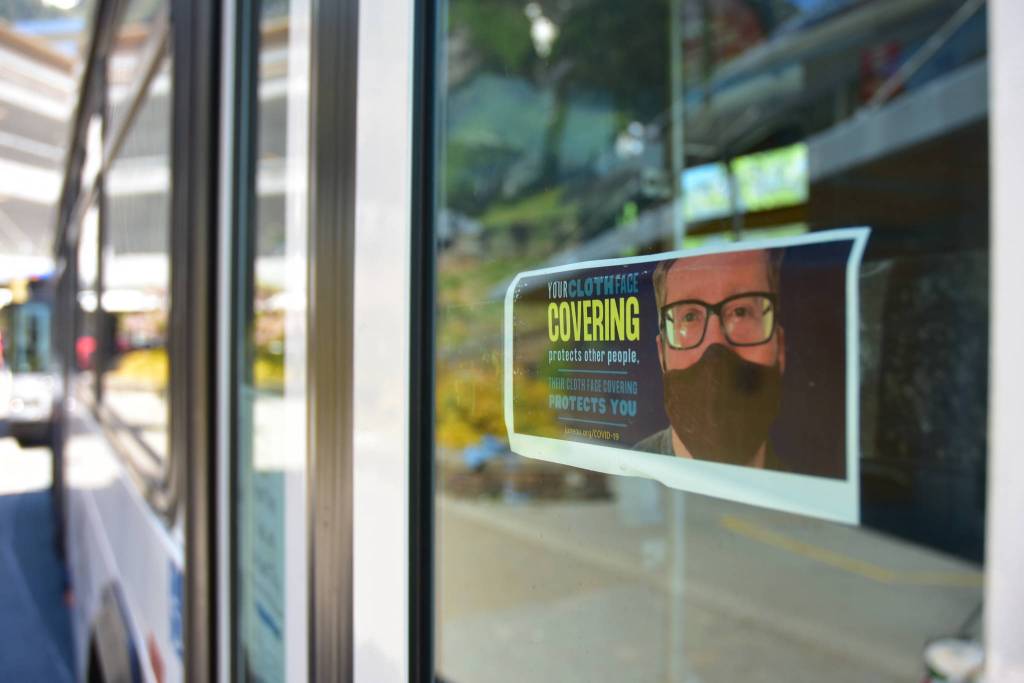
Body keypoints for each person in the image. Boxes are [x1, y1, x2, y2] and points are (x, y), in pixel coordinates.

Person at [635, 249, 787, 470]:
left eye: (741, 312)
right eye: (689, 317)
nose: (715, 343)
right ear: (662, 355)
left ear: (779, 347)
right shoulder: (627, 474)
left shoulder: (810, 490)